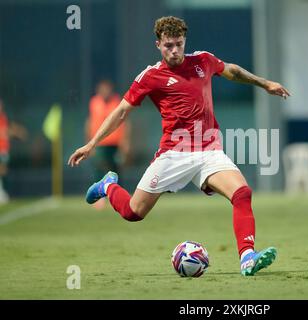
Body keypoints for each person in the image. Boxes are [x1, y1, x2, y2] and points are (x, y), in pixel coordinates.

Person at [68, 16, 291, 276]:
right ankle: (108, 185)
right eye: (168, 46)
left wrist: (265, 84)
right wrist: (92, 143)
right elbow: (121, 112)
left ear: (184, 42)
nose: (174, 50)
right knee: (133, 212)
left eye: (178, 44)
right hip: (173, 155)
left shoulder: (203, 61)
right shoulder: (150, 76)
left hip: (209, 152)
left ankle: (247, 257)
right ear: (158, 45)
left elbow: (232, 71)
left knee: (242, 193)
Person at [85, 79, 130, 209]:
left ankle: (117, 197)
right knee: (99, 168)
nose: (105, 92)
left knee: (116, 169)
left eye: (107, 89)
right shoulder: (94, 102)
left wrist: (125, 142)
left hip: (115, 142)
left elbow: (124, 122)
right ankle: (99, 198)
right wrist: (89, 143)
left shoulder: (117, 101)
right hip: (99, 144)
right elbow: (89, 122)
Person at [0, 98, 28, 203]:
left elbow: (11, 130)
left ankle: (1, 191)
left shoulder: (5, 118)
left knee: (3, 170)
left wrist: (18, 133)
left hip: (3, 150)